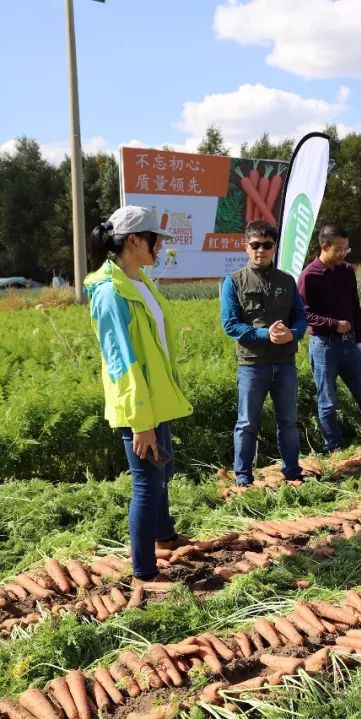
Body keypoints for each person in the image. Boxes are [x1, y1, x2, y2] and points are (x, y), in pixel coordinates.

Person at [85, 206, 193, 581]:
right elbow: (122, 363)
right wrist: (140, 422)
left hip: (154, 398)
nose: (160, 245)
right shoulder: (110, 293)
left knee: (164, 470)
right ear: (134, 239)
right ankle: (145, 573)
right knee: (147, 484)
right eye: (155, 238)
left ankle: (164, 537)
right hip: (138, 406)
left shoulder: (139, 281)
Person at [221, 221, 308, 487]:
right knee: (247, 423)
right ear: (246, 247)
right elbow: (230, 323)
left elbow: (300, 317)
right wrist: (264, 335)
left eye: (267, 245)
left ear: (274, 247)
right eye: (255, 245)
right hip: (252, 364)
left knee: (289, 422)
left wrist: (293, 333)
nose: (261, 250)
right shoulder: (233, 281)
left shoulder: (286, 281)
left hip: (284, 363)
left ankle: (292, 472)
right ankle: (243, 478)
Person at [298, 224, 361, 450]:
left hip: (349, 346)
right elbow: (303, 313)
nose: (343, 254)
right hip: (324, 347)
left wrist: (359, 338)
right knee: (328, 402)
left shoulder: (347, 271)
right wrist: (333, 325)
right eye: (339, 249)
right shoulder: (309, 275)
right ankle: (334, 447)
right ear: (325, 246)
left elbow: (354, 307)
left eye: (346, 249)